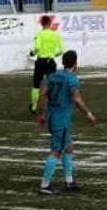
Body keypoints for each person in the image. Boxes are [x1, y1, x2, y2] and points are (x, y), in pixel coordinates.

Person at [35, 50, 96, 195]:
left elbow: (42, 95)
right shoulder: (72, 80)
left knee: (68, 148)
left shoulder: (53, 76)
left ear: (62, 62)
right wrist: (88, 114)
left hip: (52, 118)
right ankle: (44, 185)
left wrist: (42, 114)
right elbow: (76, 99)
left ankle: (69, 181)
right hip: (61, 121)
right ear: (76, 63)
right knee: (56, 152)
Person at [30, 14, 65, 112]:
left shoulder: (39, 34)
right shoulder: (56, 35)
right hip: (51, 62)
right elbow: (62, 50)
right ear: (50, 24)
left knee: (36, 84)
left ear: (41, 24)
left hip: (41, 61)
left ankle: (34, 106)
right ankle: (53, 105)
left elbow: (37, 48)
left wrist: (32, 53)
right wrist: (54, 55)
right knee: (52, 84)